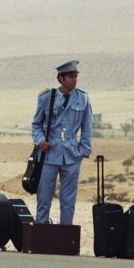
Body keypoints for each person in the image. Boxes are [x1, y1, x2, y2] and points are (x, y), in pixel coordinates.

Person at [31, 60, 92, 225]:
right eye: (70, 76)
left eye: (75, 76)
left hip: (72, 154)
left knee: (68, 200)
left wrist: (83, 151)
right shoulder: (46, 97)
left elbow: (87, 127)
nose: (74, 80)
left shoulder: (83, 99)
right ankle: (41, 231)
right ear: (61, 78)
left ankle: (66, 232)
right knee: (44, 197)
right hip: (49, 154)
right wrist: (40, 141)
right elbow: (36, 125)